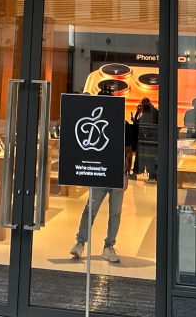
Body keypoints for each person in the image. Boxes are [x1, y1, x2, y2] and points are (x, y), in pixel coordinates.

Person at [70, 86, 125, 264]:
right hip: (99, 171)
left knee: (115, 212)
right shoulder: (93, 119)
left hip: (115, 173)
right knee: (90, 209)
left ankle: (109, 246)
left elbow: (127, 150)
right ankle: (80, 242)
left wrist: (124, 173)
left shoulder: (121, 122)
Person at [132, 97, 158, 182]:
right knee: (150, 157)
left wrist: (137, 114)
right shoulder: (154, 111)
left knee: (148, 157)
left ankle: (151, 177)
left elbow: (139, 124)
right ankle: (153, 176)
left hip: (147, 138)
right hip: (151, 138)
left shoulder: (147, 113)